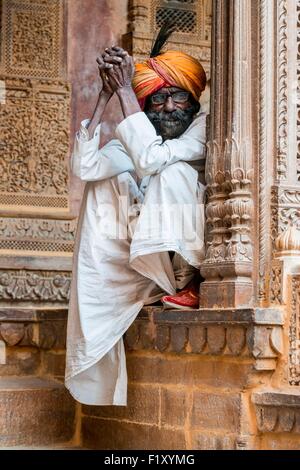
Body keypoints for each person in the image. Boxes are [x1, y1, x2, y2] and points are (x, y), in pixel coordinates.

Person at [65, 45, 207, 405]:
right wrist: (106, 95)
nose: (170, 107)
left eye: (177, 97)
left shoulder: (203, 127)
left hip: (197, 255)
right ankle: (130, 289)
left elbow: (152, 158)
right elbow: (85, 167)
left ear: (192, 99)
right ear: (145, 109)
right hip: (146, 265)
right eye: (157, 100)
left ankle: (188, 283)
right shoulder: (136, 133)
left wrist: (128, 89)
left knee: (170, 171)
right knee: (103, 182)